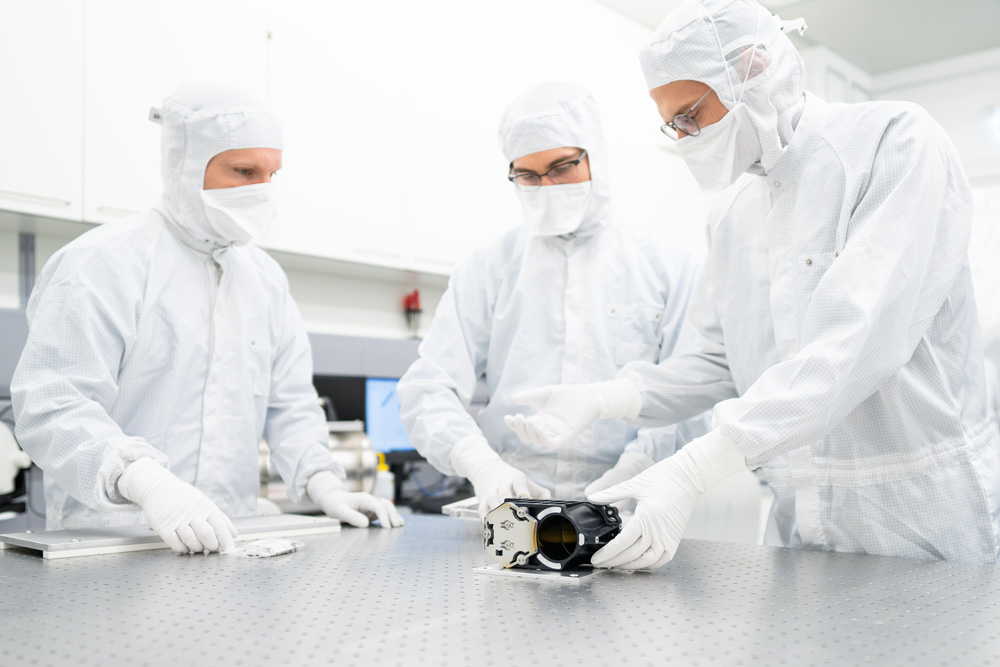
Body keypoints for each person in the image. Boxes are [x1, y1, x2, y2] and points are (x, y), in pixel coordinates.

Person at [506, 0, 1000, 567]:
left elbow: (857, 342)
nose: (684, 136)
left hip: (920, 510)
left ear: (754, 70)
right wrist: (606, 397)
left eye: (690, 115)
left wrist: (699, 465)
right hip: (800, 517)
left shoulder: (892, 142)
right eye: (673, 125)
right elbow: (720, 361)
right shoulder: (733, 211)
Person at [11, 85, 403, 554]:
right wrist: (147, 481)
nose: (260, 190)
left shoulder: (266, 281)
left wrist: (325, 485)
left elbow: (291, 406)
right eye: (243, 171)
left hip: (229, 541)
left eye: (270, 174)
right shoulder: (101, 265)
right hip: (111, 543)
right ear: (185, 165)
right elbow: (53, 406)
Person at [397, 82, 707, 519]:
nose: (547, 186)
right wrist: (481, 464)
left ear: (593, 155)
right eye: (527, 175)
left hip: (635, 506)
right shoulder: (490, 267)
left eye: (562, 166)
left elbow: (692, 389)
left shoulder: (668, 263)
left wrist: (637, 466)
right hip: (514, 506)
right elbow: (428, 387)